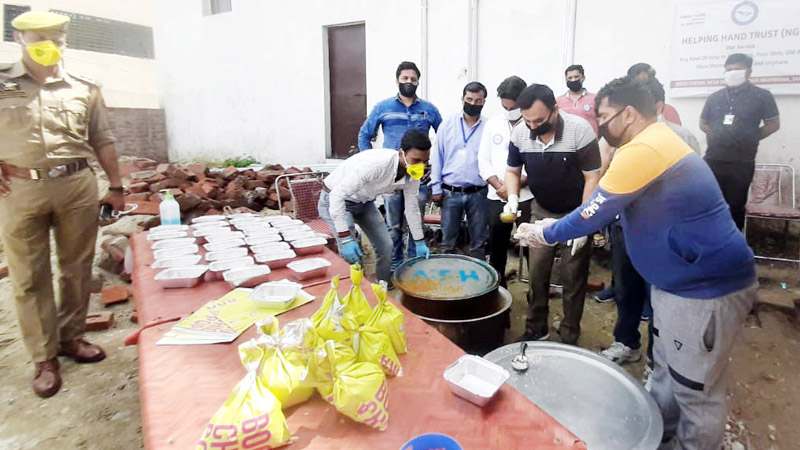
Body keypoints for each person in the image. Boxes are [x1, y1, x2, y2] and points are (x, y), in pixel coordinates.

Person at [517, 76, 756, 450]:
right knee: (666, 371)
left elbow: (595, 211)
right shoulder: (653, 141)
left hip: (703, 290)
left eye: (604, 117)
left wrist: (545, 232)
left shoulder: (644, 148)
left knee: (695, 389)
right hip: (677, 284)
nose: (601, 126)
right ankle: (661, 437)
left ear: (628, 114)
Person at [0, 11, 124, 398]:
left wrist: (116, 186)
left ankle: (72, 338)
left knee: (77, 268)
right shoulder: (2, 83)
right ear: (20, 40)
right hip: (19, 189)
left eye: (57, 38)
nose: (49, 45)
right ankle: (44, 357)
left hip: (75, 185)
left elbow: (103, 139)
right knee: (29, 276)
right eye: (40, 39)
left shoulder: (85, 87)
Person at [599, 77, 702, 368]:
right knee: (625, 289)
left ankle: (657, 363)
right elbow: (607, 175)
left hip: (664, 235)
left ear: (657, 106)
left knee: (659, 299)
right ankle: (626, 342)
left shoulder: (681, 137)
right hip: (625, 228)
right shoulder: (620, 137)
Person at [504, 84, 601, 344]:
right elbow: (512, 171)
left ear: (555, 110)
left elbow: (592, 177)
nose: (533, 126)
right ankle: (537, 327)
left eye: (539, 120)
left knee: (573, 278)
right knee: (537, 274)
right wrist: (512, 198)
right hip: (541, 210)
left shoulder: (580, 130)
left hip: (574, 212)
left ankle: (570, 334)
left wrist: (584, 223)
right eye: (528, 120)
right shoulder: (520, 133)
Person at [357, 61, 442, 271]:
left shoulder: (428, 109)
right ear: (397, 80)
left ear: (418, 81)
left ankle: (413, 266)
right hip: (391, 176)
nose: (409, 82)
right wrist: (370, 162)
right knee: (393, 225)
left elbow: (443, 139)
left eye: (413, 79)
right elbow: (364, 135)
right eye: (405, 78)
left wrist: (435, 168)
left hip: (418, 175)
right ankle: (395, 266)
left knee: (415, 223)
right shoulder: (383, 108)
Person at [319, 130, 432, 283]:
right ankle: (355, 290)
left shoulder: (413, 174)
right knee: (352, 255)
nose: (420, 166)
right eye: (416, 160)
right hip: (336, 199)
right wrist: (345, 239)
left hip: (364, 201)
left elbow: (412, 208)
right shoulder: (377, 164)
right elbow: (337, 195)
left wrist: (419, 241)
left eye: (425, 161)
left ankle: (382, 286)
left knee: (386, 246)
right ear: (401, 153)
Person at [700, 53, 780, 230]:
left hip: (741, 162)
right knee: (708, 204)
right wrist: (717, 135)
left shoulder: (762, 96)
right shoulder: (715, 97)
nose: (732, 73)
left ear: (749, 72)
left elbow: (773, 124)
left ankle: (733, 242)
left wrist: (751, 137)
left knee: (735, 206)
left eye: (737, 69)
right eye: (729, 70)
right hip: (713, 160)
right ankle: (709, 240)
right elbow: (703, 123)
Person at [478, 76, 532, 287]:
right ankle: (498, 291)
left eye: (514, 107)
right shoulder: (493, 125)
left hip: (526, 197)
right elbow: (483, 159)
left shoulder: (533, 124)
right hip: (496, 195)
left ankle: (535, 291)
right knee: (497, 248)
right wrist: (499, 185)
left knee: (532, 247)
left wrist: (514, 186)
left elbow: (538, 163)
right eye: (505, 107)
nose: (509, 111)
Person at [430, 82, 489, 259]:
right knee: (448, 242)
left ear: (484, 102)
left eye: (478, 100)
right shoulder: (447, 125)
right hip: (450, 193)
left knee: (479, 242)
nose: (473, 103)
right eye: (469, 99)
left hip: (479, 193)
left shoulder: (489, 127)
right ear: (462, 99)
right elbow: (437, 157)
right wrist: (436, 188)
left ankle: (477, 275)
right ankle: (448, 273)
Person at [556, 64, 598, 134]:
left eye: (576, 77)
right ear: (566, 80)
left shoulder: (595, 99)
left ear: (583, 78)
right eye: (570, 78)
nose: (573, 80)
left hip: (590, 139)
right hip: (567, 139)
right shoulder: (558, 101)